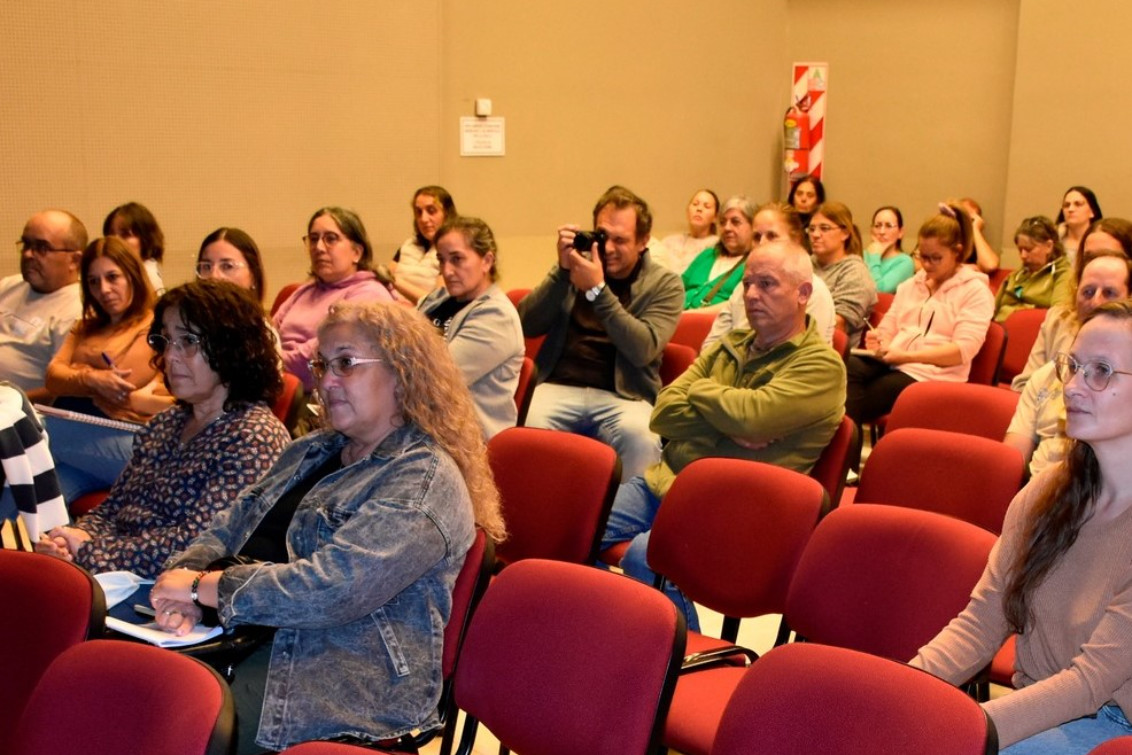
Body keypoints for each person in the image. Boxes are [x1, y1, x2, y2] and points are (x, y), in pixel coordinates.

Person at [149, 301, 506, 754]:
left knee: (179, 721)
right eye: (323, 364)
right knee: (128, 690)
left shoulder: (422, 479)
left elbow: (334, 587)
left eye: (346, 364)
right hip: (245, 631)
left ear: (403, 371)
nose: (327, 380)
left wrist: (205, 588)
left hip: (339, 672)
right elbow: (227, 525)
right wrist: (181, 591)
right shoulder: (312, 449)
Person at [911, 300, 1132, 752]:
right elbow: (983, 619)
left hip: (1113, 724)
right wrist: (905, 692)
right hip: (1041, 702)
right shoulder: (1045, 492)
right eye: (1072, 366)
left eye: (1101, 371)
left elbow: (1092, 682)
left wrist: (964, 726)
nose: (1073, 386)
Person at [600, 239, 846, 629]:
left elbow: (751, 419)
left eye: (767, 284)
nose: (751, 294)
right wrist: (723, 410)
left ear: (803, 293)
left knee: (644, 556)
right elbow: (663, 411)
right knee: (579, 526)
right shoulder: (734, 344)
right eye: (747, 283)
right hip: (670, 482)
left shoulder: (822, 367)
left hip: (740, 508)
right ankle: (614, 630)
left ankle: (675, 659)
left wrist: (703, 399)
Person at [35, 280, 291, 578]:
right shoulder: (167, 423)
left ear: (231, 347)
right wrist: (72, 538)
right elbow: (113, 508)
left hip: (174, 594)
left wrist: (90, 551)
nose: (170, 357)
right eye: (166, 341)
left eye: (188, 342)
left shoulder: (254, 437)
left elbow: (198, 546)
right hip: (116, 571)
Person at [518, 186, 684, 479]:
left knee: (642, 440)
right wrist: (561, 271)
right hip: (558, 385)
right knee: (525, 435)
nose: (607, 249)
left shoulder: (665, 284)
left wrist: (598, 291)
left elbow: (643, 349)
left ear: (644, 241)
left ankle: (626, 526)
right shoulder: (575, 267)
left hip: (624, 396)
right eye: (603, 237)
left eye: (621, 240)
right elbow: (527, 324)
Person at [43, 237, 170, 500]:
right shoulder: (85, 325)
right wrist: (94, 377)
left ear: (132, 275)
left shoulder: (155, 325)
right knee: (35, 495)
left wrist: (75, 372)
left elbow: (124, 382)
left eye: (113, 277)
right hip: (88, 443)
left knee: (34, 429)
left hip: (136, 442)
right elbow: (53, 378)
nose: (104, 289)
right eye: (94, 281)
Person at [846, 203, 994, 427]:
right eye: (922, 256)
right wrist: (880, 340)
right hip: (895, 362)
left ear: (957, 252)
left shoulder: (975, 290)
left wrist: (904, 356)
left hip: (934, 375)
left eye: (935, 258)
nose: (926, 264)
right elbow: (887, 327)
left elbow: (962, 351)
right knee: (848, 366)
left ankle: (845, 455)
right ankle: (845, 452)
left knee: (851, 401)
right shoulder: (911, 285)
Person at [1005, 252, 1131, 476]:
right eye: (1088, 292)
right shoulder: (1047, 375)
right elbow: (1011, 460)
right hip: (1040, 495)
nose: (1095, 302)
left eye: (1109, 292)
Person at [417, 216, 523, 438]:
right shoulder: (438, 299)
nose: (446, 271)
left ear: (486, 261)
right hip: (425, 425)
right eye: (441, 260)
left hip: (466, 442)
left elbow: (437, 378)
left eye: (457, 259)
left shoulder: (497, 317)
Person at [273, 206, 393, 390]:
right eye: (313, 239)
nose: (319, 248)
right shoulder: (303, 291)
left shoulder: (369, 295)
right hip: (275, 381)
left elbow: (324, 354)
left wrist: (272, 364)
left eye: (330, 239)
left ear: (356, 252)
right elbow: (268, 336)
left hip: (324, 396)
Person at [1012, 218, 1132, 390]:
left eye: (1108, 256)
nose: (1096, 265)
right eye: (1089, 257)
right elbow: (1023, 386)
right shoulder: (1059, 319)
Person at [702, 201, 836, 348]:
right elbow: (710, 347)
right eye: (756, 237)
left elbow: (803, 355)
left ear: (796, 240)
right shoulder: (744, 287)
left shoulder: (811, 290)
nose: (762, 244)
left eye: (772, 236)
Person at [0, 210, 86, 402]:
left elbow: (61, 390)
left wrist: (10, 403)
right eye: (26, 244)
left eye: (41, 247)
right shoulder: (8, 286)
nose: (29, 254)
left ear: (75, 260)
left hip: (18, 414)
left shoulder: (79, 309)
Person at [807, 201, 877, 347]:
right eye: (812, 229)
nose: (815, 235)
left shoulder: (855, 272)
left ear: (845, 234)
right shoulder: (804, 264)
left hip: (829, 353)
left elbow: (837, 325)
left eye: (824, 228)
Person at [681, 195, 755, 311]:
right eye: (722, 222)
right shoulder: (707, 255)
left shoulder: (753, 264)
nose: (727, 228)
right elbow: (677, 288)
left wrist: (693, 316)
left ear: (753, 226)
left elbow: (737, 305)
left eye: (735, 222)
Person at [994, 216, 1071, 323]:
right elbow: (993, 312)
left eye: (1029, 249)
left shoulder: (1063, 275)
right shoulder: (1016, 276)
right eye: (1020, 249)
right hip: (1004, 330)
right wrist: (1031, 308)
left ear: (1049, 246)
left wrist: (1016, 311)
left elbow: (1057, 317)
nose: (1023, 255)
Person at [390, 185, 454, 304]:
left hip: (424, 317)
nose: (423, 219)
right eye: (419, 212)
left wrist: (397, 283)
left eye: (431, 211)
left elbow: (437, 303)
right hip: (392, 310)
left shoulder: (451, 252)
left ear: (447, 213)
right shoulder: (409, 244)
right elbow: (385, 279)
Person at [104, 201, 166, 293]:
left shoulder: (147, 277)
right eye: (111, 235)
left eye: (125, 234)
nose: (115, 240)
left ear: (145, 238)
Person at [196, 227, 268, 306]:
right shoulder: (186, 316)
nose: (213, 276)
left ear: (253, 276)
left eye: (227, 266)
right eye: (207, 267)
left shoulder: (259, 318)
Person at [658, 188, 720, 273]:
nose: (699, 209)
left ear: (715, 217)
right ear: (687, 211)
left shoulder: (717, 245)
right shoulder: (668, 242)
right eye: (695, 204)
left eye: (707, 206)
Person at [864, 206, 914, 293]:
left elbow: (879, 291)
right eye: (877, 226)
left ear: (900, 232)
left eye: (888, 226)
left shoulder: (904, 261)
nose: (882, 232)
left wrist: (874, 257)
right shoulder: (861, 255)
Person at [1056, 185, 1103, 262]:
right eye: (1066, 205)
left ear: (1092, 212)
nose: (1070, 209)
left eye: (1078, 204)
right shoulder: (1055, 241)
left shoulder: (1101, 241)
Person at [958, 197, 1001, 274]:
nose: (965, 223)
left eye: (971, 219)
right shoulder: (942, 239)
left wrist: (975, 229)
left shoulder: (975, 247)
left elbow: (990, 265)